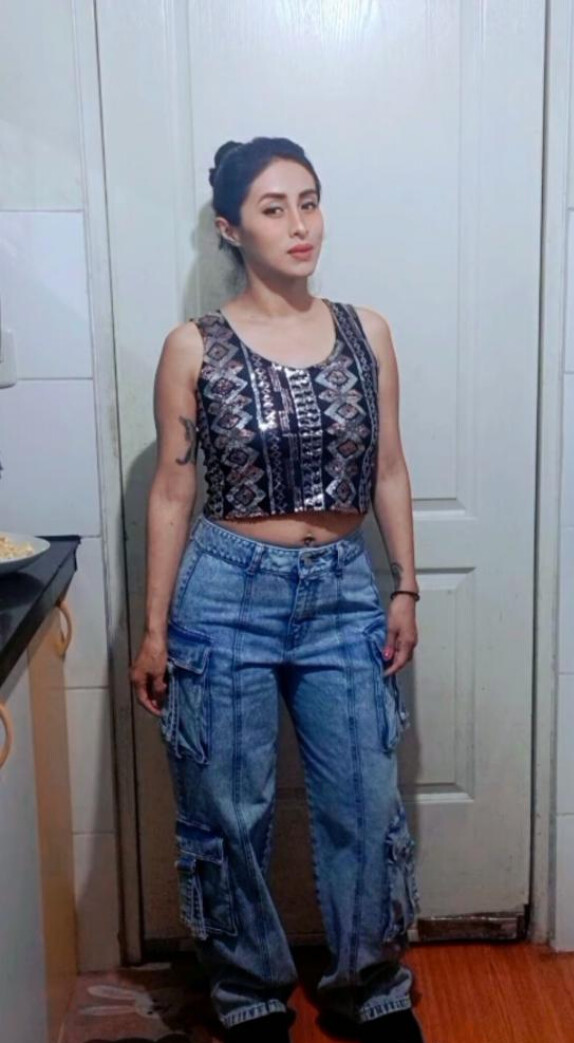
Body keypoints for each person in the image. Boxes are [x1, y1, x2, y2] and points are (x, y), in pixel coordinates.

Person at [130, 136, 425, 1043]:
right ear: (230, 227)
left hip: (343, 592)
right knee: (230, 809)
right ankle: (250, 992)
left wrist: (405, 588)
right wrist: (154, 629)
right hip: (225, 596)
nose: (300, 224)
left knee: (364, 802)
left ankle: (368, 986)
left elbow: (388, 468)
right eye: (273, 207)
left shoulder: (367, 332)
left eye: (309, 200)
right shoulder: (194, 346)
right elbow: (173, 491)